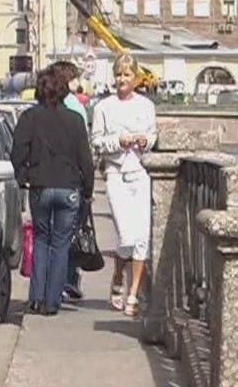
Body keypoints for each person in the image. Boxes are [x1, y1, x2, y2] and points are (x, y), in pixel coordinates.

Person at [11, 67, 95, 316]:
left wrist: (23, 177)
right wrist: (88, 191)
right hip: (69, 188)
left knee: (41, 239)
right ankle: (52, 301)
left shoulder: (29, 117)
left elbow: (17, 152)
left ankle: (36, 298)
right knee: (60, 245)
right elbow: (85, 160)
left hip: (40, 186)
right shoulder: (75, 120)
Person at [91, 53, 157, 317]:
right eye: (118, 74)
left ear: (136, 78)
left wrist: (145, 141)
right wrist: (118, 141)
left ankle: (133, 294)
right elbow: (96, 141)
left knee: (142, 239)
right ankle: (118, 275)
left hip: (140, 172)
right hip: (116, 172)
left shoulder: (145, 106)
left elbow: (153, 135)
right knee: (127, 237)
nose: (122, 79)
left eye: (127, 75)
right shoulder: (103, 107)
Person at [50, 60, 89, 303]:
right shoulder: (75, 106)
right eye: (75, 78)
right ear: (68, 80)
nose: (79, 83)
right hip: (71, 177)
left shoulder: (47, 104)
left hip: (46, 178)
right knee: (68, 232)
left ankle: (52, 282)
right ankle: (67, 278)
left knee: (50, 234)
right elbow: (82, 145)